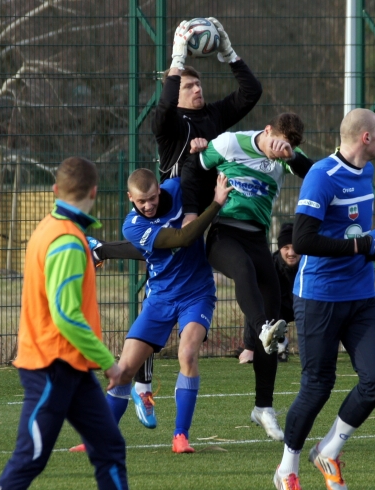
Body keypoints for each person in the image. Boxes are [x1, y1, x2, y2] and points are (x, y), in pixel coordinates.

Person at [89, 16, 263, 430]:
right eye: (189, 85)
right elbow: (164, 105)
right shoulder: (169, 127)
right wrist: (177, 57)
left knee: (244, 264)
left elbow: (251, 92)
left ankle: (262, 329)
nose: (197, 89)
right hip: (180, 210)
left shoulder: (213, 118)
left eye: (198, 84)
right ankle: (141, 384)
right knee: (162, 257)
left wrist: (229, 53)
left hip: (209, 216)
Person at [273, 109, 375, 490]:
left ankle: (327, 452)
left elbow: (350, 229)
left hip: (361, 296)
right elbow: (305, 240)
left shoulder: (367, 171)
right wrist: (362, 244)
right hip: (320, 298)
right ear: (365, 137)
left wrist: (371, 248)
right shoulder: (321, 177)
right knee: (317, 386)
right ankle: (286, 470)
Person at [0, 157, 128, 490]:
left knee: (110, 447)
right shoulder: (67, 240)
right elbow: (66, 315)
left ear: (55, 190)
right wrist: (110, 363)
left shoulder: (49, 227)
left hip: (71, 368)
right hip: (50, 366)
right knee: (31, 456)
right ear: (94, 192)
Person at [195, 112, 314, 441]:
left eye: (286, 147)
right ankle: (262, 327)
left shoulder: (286, 158)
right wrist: (197, 146)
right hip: (223, 234)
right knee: (246, 277)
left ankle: (264, 408)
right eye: (278, 142)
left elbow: (312, 172)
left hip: (256, 238)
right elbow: (195, 167)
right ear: (266, 131)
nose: (279, 150)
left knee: (273, 315)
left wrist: (292, 156)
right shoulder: (232, 142)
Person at [109, 169, 232, 454]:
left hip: (197, 294)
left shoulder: (179, 187)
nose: (148, 205)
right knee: (123, 370)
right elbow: (181, 238)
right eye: (141, 202)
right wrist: (215, 204)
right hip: (160, 298)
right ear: (131, 198)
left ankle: (180, 436)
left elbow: (207, 172)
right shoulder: (133, 226)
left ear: (160, 190)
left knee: (187, 354)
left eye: (152, 198)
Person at [270, 222, 375, 364]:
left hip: (314, 307)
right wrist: (250, 346)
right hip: (283, 310)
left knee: (360, 325)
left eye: (295, 248)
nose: (291, 253)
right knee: (265, 309)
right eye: (286, 247)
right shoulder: (269, 265)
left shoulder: (315, 264)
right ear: (280, 248)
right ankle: (279, 344)